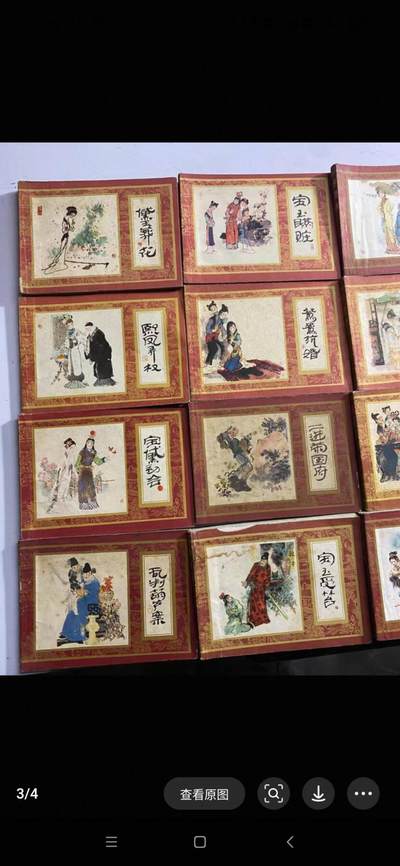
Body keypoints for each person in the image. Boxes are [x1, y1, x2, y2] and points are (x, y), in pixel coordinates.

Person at [75, 436, 107, 510]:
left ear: (93, 445)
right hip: (82, 471)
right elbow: (77, 464)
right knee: (83, 487)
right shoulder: (82, 452)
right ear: (86, 443)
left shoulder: (93, 452)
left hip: (89, 472)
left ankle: (92, 503)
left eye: (92, 443)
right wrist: (79, 470)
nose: (90, 444)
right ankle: (84, 503)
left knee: (91, 486)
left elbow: (98, 462)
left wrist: (104, 459)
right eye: (88, 443)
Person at [243, 551, 272, 627]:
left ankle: (262, 619)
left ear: (267, 561)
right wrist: (247, 582)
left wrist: (267, 588)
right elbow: (251, 574)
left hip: (262, 589)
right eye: (262, 560)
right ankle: (253, 621)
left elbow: (268, 579)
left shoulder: (268, 567)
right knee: (254, 605)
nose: (262, 561)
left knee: (261, 605)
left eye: (264, 560)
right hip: (254, 588)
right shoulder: (256, 565)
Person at [44, 206, 77, 272]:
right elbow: (65, 230)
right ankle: (56, 263)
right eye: (73, 215)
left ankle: (56, 262)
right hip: (65, 236)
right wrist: (70, 227)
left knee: (62, 250)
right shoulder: (66, 219)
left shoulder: (68, 219)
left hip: (66, 236)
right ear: (70, 213)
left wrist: (71, 226)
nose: (73, 216)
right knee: (62, 250)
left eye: (74, 215)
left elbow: (70, 229)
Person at [63, 317, 87, 388]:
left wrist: (77, 341)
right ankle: (73, 378)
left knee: (77, 363)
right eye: (68, 325)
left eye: (70, 324)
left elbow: (82, 338)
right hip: (70, 350)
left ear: (72, 324)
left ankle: (78, 378)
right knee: (71, 364)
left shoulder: (76, 330)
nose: (70, 326)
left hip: (75, 349)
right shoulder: (67, 332)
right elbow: (66, 341)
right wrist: (67, 344)